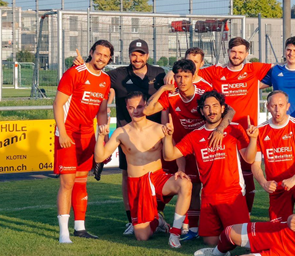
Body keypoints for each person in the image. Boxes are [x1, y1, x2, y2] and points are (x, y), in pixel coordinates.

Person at [185, 37, 295, 211]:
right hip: (224, 131)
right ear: (228, 52)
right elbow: (189, 73)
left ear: (247, 54)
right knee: (220, 175)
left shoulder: (253, 69)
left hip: (248, 132)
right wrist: (172, 72)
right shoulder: (216, 72)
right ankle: (208, 217)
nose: (236, 55)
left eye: (240, 52)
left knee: (250, 174)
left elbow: (285, 65)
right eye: (233, 51)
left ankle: (245, 215)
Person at [144, 59, 234, 240]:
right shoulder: (172, 95)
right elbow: (146, 110)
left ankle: (223, 224)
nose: (182, 80)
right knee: (192, 186)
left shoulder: (203, 94)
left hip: (206, 145)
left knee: (213, 186)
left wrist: (220, 129)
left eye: (186, 76)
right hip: (184, 148)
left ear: (194, 76)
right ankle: (193, 229)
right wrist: (162, 89)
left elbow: (230, 110)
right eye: (178, 76)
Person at [162, 91, 258, 256]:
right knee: (209, 241)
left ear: (222, 108)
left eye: (215, 106)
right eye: (206, 107)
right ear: (201, 111)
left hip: (232, 194)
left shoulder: (235, 129)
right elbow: (169, 155)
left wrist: (254, 139)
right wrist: (167, 137)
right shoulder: (195, 135)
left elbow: (249, 159)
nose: (211, 110)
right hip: (208, 197)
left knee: (242, 240)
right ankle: (224, 240)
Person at [94, 91, 192, 248]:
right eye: (131, 107)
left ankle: (175, 232)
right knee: (141, 237)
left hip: (157, 177)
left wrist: (181, 169)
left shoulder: (159, 129)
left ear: (146, 106)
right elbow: (100, 157)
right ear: (127, 108)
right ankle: (158, 221)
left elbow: (176, 151)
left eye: (140, 106)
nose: (136, 111)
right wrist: (100, 137)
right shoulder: (121, 132)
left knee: (185, 184)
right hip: (137, 183)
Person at [104, 39, 166, 235]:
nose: (137, 58)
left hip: (155, 133)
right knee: (127, 175)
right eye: (134, 54)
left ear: (147, 56)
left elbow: (171, 85)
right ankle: (132, 218)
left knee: (157, 174)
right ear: (129, 55)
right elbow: (100, 82)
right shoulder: (117, 74)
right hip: (127, 133)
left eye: (141, 54)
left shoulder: (159, 73)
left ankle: (158, 215)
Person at [53, 40, 112, 243]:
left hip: (88, 135)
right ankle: (64, 233)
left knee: (81, 182)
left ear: (109, 59)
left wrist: (103, 136)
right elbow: (58, 104)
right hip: (68, 133)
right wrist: (62, 132)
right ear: (91, 53)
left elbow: (102, 112)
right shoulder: (75, 72)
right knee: (67, 182)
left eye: (105, 55)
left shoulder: (105, 80)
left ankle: (80, 228)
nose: (101, 58)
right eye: (98, 53)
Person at [252, 91, 295, 222]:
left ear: (288, 106)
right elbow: (255, 165)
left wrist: (294, 179)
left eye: (281, 105)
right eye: (274, 106)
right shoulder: (260, 131)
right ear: (267, 106)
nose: (277, 110)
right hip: (276, 186)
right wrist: (264, 182)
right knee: (279, 231)